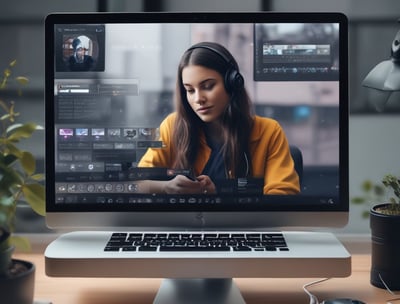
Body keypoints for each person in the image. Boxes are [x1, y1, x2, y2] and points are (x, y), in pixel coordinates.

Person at [137, 41, 300, 195]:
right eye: (190, 90)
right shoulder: (172, 126)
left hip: (244, 225)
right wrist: (166, 187)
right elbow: (135, 183)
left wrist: (222, 193)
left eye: (208, 86)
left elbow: (283, 196)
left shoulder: (268, 132)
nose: (198, 99)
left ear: (232, 84)